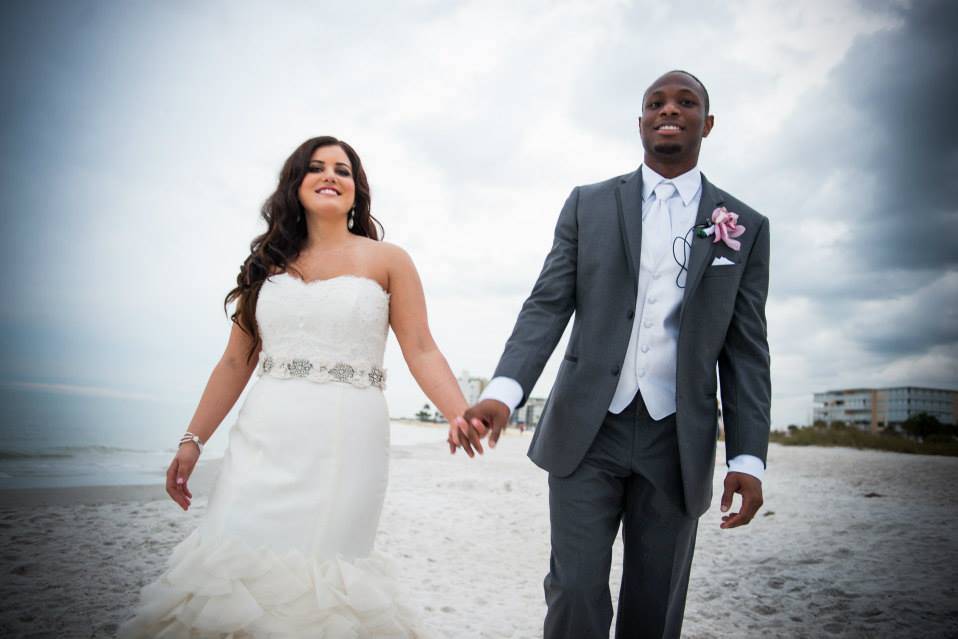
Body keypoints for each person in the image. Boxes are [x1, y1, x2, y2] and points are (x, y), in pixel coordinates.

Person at [118, 136, 469, 637]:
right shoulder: (266, 264)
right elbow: (236, 360)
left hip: (347, 442)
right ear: (295, 184)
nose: (330, 176)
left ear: (356, 190)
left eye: (342, 170)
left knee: (325, 573)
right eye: (316, 167)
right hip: (264, 438)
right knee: (232, 561)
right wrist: (192, 440)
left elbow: (421, 346)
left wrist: (458, 412)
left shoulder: (388, 259)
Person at [462, 70, 771, 639]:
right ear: (640, 122)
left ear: (708, 122)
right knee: (575, 589)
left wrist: (747, 460)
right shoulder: (589, 205)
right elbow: (546, 305)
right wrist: (503, 394)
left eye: (686, 102)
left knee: (655, 605)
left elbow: (747, 351)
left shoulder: (745, 226)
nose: (669, 110)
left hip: (678, 439)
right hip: (586, 430)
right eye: (656, 102)